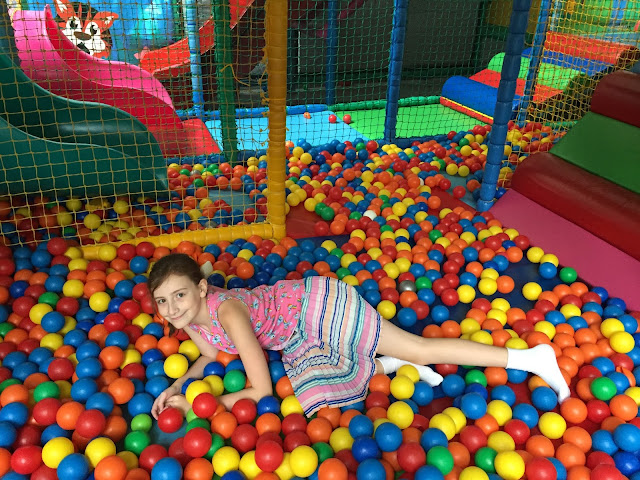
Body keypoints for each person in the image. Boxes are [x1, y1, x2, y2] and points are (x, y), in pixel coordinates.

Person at [149, 253, 571, 419]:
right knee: (320, 396)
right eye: (163, 302)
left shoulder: (230, 313)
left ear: (202, 289)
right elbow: (206, 359)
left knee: (419, 345)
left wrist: (197, 407)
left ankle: (532, 359)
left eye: (180, 296)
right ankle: (392, 365)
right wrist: (173, 388)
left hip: (318, 308)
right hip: (295, 335)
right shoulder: (190, 321)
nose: (172, 309)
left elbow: (260, 390)